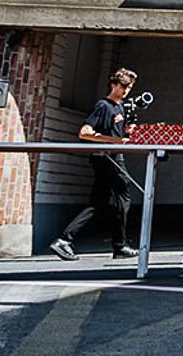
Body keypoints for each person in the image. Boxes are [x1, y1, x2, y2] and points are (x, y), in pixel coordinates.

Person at [50, 68, 139, 261]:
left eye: (129, 87)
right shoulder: (103, 106)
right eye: (123, 86)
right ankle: (119, 245)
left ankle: (65, 239)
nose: (125, 91)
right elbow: (84, 133)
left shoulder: (120, 107)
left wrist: (127, 132)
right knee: (122, 196)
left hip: (111, 156)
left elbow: (117, 133)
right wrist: (115, 141)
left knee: (99, 202)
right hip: (107, 157)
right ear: (113, 85)